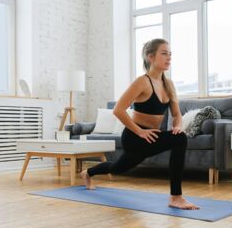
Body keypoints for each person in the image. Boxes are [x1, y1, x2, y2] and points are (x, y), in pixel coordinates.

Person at [81, 38, 199, 210]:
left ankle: (88, 172)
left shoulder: (169, 85)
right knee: (117, 169)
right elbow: (118, 110)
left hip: (151, 137)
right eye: (164, 53)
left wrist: (178, 126)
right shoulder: (142, 82)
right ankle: (176, 197)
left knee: (118, 167)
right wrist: (140, 131)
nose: (169, 57)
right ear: (150, 57)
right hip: (134, 137)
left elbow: (177, 115)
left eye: (170, 54)